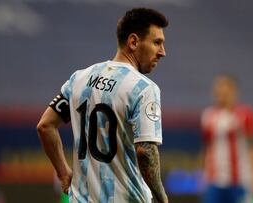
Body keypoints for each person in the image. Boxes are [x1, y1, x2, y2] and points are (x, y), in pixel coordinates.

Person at [36, 8, 169, 203]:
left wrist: (63, 172)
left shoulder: (79, 78)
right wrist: (162, 199)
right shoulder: (143, 89)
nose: (162, 52)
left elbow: (45, 126)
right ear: (133, 42)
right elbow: (146, 151)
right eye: (157, 42)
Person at [201, 75, 253, 203]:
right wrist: (204, 176)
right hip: (215, 181)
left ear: (233, 91)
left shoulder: (245, 115)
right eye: (218, 90)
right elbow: (207, 148)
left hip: (240, 181)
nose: (220, 93)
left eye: (224, 89)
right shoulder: (208, 116)